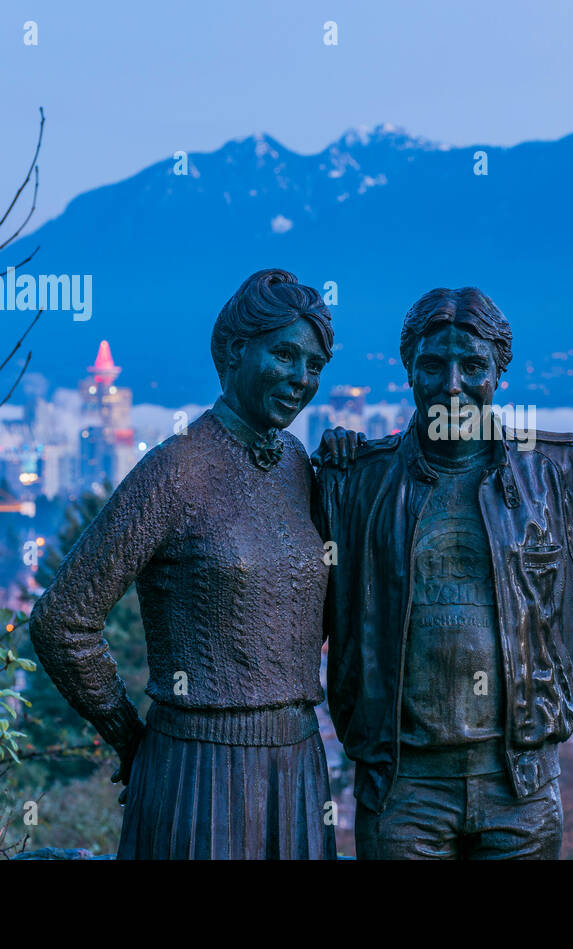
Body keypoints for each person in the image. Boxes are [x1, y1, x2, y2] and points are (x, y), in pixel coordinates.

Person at [315, 286, 573, 859]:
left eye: (472, 366)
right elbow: (286, 599)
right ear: (408, 371)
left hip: (521, 784)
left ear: (499, 374)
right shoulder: (358, 481)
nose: (452, 385)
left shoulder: (557, 474)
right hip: (402, 786)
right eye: (434, 365)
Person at [29, 268, 341, 859]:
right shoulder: (175, 472)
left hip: (297, 763)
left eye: (316, 367)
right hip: (197, 771)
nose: (302, 379)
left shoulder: (298, 466)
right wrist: (129, 738)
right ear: (233, 349)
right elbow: (62, 619)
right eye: (285, 354)